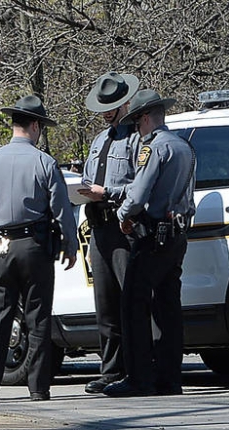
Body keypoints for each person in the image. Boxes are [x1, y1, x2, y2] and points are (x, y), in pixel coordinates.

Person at [0, 95, 78, 403]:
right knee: (38, 316)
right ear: (33, 126)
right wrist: (70, 244)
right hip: (35, 245)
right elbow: (61, 210)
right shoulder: (44, 163)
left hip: (0, 245)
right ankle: (38, 388)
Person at [105, 89, 196, 398]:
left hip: (153, 235)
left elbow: (139, 193)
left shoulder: (154, 149)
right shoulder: (184, 147)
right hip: (177, 234)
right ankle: (170, 378)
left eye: (136, 122)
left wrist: (122, 215)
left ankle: (139, 377)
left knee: (133, 304)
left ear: (145, 119)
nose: (136, 129)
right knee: (169, 307)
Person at [78, 72, 140, 394]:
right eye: (103, 107)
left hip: (123, 226)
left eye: (112, 106)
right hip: (98, 227)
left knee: (129, 300)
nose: (106, 112)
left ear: (125, 104)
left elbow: (139, 186)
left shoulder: (136, 139)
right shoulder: (99, 141)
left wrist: (109, 192)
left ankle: (135, 367)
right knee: (105, 304)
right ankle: (110, 369)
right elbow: (89, 178)